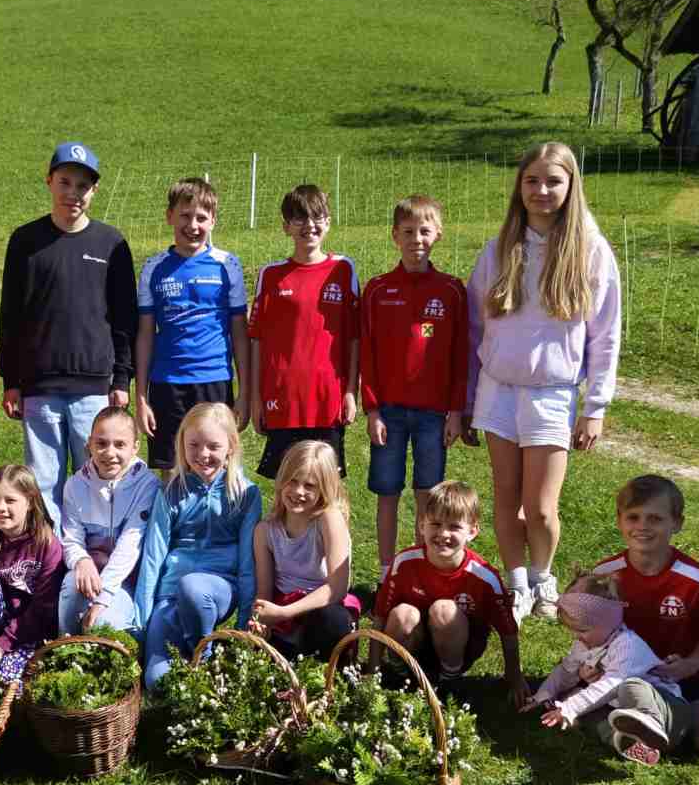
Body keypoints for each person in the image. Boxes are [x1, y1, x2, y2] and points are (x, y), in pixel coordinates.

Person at [465, 142, 620, 623]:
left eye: (553, 181)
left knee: (541, 508)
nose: (542, 190)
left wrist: (595, 407)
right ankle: (517, 584)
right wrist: (468, 397)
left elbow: (606, 335)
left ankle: (542, 577)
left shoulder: (590, 250)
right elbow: (474, 328)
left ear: (571, 186)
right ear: (519, 186)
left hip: (552, 394)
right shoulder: (498, 250)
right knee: (506, 498)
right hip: (498, 390)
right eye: (531, 180)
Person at [0, 141, 137, 534]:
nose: (73, 193)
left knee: (96, 478)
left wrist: (121, 378)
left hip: (93, 386)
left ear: (94, 191)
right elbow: (11, 315)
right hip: (40, 386)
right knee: (43, 484)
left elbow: (124, 318)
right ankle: (54, 558)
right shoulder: (25, 241)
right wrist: (11, 380)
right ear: (49, 182)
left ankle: (95, 553)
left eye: (82, 186)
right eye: (65, 182)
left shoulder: (111, 243)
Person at [361, 195, 469, 577]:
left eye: (424, 231)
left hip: (433, 414)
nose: (416, 239)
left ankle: (422, 566)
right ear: (395, 236)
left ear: (438, 234)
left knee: (428, 494)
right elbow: (368, 355)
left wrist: (455, 410)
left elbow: (460, 356)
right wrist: (372, 409)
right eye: (408, 232)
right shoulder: (377, 289)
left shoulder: (452, 290)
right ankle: (387, 571)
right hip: (388, 412)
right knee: (387, 492)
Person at [591, 474, 699, 753]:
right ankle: (647, 730)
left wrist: (689, 665)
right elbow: (588, 627)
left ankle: (652, 726)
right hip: (622, 677)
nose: (642, 526)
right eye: (633, 517)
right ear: (619, 521)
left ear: (677, 523)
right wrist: (593, 664)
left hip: (686, 680)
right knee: (571, 708)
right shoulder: (604, 574)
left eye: (655, 519)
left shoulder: (696, 581)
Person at [135, 403, 262, 691]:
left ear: (230, 447)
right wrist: (142, 621)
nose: (203, 454)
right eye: (194, 445)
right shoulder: (171, 491)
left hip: (217, 588)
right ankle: (190, 654)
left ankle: (201, 656)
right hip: (170, 595)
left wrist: (244, 623)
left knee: (193, 588)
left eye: (213, 446)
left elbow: (247, 562)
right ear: (182, 444)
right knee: (157, 682)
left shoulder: (246, 494)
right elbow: (153, 556)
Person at [370, 480, 530, 708]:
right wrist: (373, 668)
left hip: (458, 647)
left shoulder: (484, 577)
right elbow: (380, 615)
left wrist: (514, 676)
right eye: (435, 524)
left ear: (472, 531)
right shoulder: (404, 563)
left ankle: (449, 682)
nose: (443, 534)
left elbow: (508, 631)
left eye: (454, 527)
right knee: (403, 614)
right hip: (415, 642)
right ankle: (400, 673)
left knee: (444, 610)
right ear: (422, 525)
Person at [134, 178, 251, 476]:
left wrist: (244, 392)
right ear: (169, 216)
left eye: (201, 217)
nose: (193, 225)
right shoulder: (153, 267)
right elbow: (145, 335)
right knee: (172, 471)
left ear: (213, 220)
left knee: (216, 468)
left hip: (214, 380)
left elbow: (240, 333)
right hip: (167, 384)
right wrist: (141, 398)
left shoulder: (228, 264)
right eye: (185, 216)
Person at [246, 184, 360, 480]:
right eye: (299, 218)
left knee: (326, 485)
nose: (310, 225)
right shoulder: (270, 275)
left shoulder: (343, 269)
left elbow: (354, 337)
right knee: (286, 485)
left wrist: (351, 391)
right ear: (286, 226)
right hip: (283, 398)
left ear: (328, 222)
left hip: (327, 398)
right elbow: (256, 340)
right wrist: (256, 398)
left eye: (317, 216)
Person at [528, 573, 688, 766]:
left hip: (671, 713)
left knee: (630, 686)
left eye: (582, 630)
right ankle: (626, 741)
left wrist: (570, 708)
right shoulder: (585, 644)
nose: (577, 636)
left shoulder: (627, 645)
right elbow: (565, 671)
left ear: (608, 622)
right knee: (589, 714)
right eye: (572, 630)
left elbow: (610, 685)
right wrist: (544, 695)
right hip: (626, 713)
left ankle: (651, 721)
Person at [250, 440, 360, 661]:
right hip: (283, 612)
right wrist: (262, 621)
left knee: (334, 620)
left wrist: (284, 613)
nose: (298, 491)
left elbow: (337, 588)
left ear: (324, 489)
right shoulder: (265, 531)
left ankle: (331, 666)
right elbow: (264, 593)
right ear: (281, 480)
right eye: (292, 481)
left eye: (309, 486)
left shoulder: (328, 519)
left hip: (320, 607)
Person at [58, 406, 161, 636]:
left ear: (135, 447)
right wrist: (82, 560)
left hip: (126, 581)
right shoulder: (74, 485)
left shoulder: (148, 485)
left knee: (103, 626)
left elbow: (130, 545)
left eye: (120, 444)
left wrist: (102, 598)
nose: (109, 452)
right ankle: (64, 645)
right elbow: (71, 538)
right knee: (72, 587)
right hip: (89, 573)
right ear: (89, 444)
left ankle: (117, 637)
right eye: (101, 443)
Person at [0, 464, 66, 683]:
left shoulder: (47, 545)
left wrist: (0, 647)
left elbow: (42, 610)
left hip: (28, 633)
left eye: (10, 500)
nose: (0, 507)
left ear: (30, 502)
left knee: (5, 681)